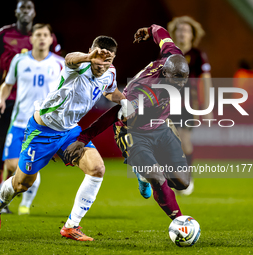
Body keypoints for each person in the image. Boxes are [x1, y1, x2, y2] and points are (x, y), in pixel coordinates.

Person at [0, 36, 134, 241]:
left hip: (69, 131)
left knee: (97, 169)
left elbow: (110, 92)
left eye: (107, 60)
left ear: (113, 59)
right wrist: (89, 57)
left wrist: (124, 101)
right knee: (22, 184)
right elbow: (69, 59)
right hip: (42, 130)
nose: (101, 64)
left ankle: (71, 226)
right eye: (98, 57)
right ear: (91, 50)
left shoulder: (110, 73)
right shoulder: (78, 66)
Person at [64, 24, 190, 222]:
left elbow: (161, 33)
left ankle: (145, 169)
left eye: (184, 79)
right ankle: (180, 222)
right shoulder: (144, 92)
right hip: (132, 131)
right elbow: (113, 114)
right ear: (165, 74)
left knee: (182, 182)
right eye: (177, 80)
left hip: (160, 125)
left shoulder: (173, 56)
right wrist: (83, 138)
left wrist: (148, 31)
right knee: (156, 177)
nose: (181, 84)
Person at [0, 0, 61, 213]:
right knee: (2, 152)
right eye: (21, 7)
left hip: (40, 114)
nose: (41, 39)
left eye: (29, 8)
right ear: (15, 12)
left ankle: (17, 192)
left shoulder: (54, 55)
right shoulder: (6, 38)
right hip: (9, 102)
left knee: (26, 160)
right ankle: (0, 186)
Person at [167, 16, 213, 195]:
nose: (182, 33)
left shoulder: (197, 55)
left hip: (188, 105)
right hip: (168, 103)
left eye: (186, 30)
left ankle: (187, 177)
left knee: (185, 142)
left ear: (192, 35)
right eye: (179, 30)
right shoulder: (167, 54)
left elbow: (206, 82)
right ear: (174, 34)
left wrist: (207, 106)